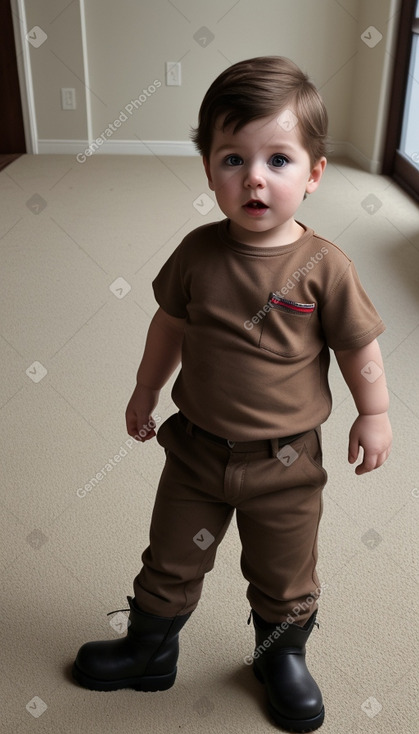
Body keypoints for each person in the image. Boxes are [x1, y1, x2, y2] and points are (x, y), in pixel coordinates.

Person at [72, 56, 392, 732]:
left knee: (284, 574)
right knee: (169, 557)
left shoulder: (323, 266)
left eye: (277, 160)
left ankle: (279, 659)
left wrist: (375, 412)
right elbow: (169, 325)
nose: (253, 177)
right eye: (231, 159)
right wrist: (144, 389)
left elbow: (357, 346)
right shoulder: (195, 253)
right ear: (208, 169)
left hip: (285, 463)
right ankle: (148, 650)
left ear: (312, 174)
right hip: (195, 452)